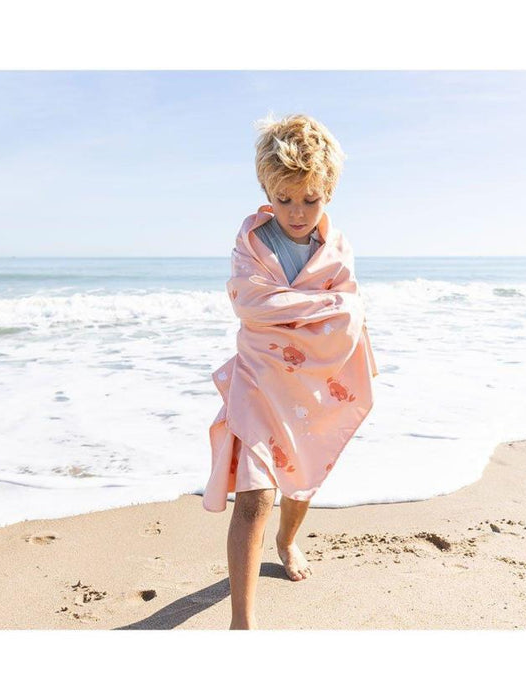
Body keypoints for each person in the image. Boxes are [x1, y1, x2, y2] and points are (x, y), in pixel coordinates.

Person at [203, 113, 378, 629]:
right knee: (255, 496)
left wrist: (313, 311)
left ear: (329, 193)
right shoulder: (251, 242)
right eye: (284, 199)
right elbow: (251, 304)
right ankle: (242, 624)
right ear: (266, 191)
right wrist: (322, 308)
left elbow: (347, 317)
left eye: (310, 199)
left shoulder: (336, 249)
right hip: (259, 378)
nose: (297, 212)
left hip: (313, 381)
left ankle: (287, 540)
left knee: (300, 478)